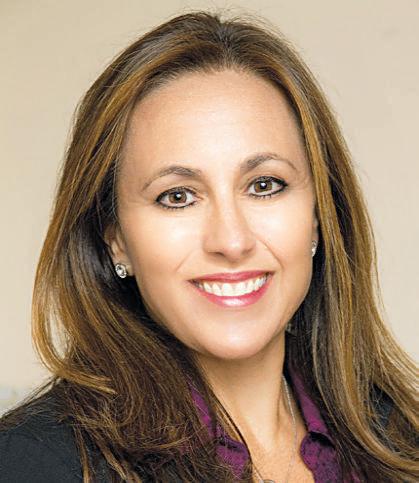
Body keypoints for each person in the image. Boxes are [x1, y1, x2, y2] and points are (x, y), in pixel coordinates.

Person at [0, 9, 417, 483]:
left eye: (264, 185)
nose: (231, 241)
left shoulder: (401, 439)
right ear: (115, 239)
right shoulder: (30, 465)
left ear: (318, 217)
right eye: (177, 196)